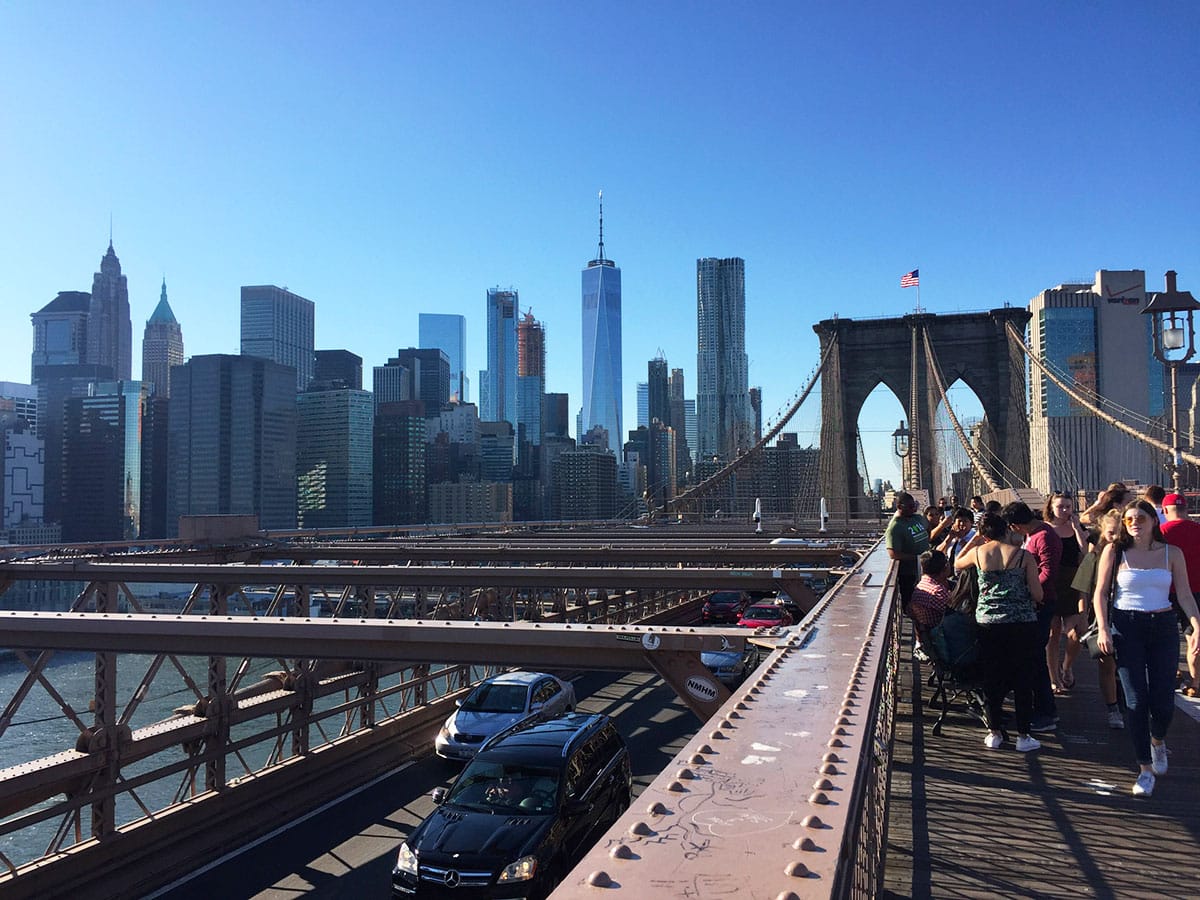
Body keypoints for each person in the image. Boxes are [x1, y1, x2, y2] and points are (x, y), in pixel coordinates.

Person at [1092, 499, 1200, 797]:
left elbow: (1186, 595)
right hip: (1126, 627)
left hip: (1163, 626)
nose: (1134, 523)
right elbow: (1100, 594)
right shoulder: (1115, 552)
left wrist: (1197, 625)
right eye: (1128, 520)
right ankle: (1144, 769)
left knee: (1164, 701)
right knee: (1136, 701)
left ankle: (1158, 740)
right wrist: (1103, 628)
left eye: (1140, 517)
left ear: (1155, 520)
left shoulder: (1171, 553)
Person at [955, 513, 1044, 752]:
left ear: (984, 534)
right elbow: (1038, 595)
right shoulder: (1024, 556)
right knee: (1023, 677)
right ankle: (1024, 736)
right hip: (1021, 623)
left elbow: (956, 563)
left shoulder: (978, 553)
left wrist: (975, 542)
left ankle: (994, 733)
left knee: (993, 677)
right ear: (1006, 529)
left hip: (988, 624)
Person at [1003, 501, 1063, 732]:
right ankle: (1040, 709)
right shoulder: (1036, 533)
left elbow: (1048, 571)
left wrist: (1030, 592)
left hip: (1041, 602)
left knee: (1036, 658)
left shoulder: (1044, 536)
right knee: (1032, 656)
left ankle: (1047, 713)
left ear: (1016, 525)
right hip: (1035, 602)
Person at [1071, 509, 1125, 728]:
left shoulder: (1135, 554)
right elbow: (1082, 589)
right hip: (1102, 616)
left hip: (1129, 615)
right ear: (1103, 533)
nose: (1117, 538)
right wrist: (1082, 616)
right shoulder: (1095, 557)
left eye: (1121, 533)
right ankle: (1113, 708)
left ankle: (1129, 701)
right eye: (1112, 533)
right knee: (1108, 665)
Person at [1044, 492, 1088, 692]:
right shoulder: (1045, 529)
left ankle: (1067, 667)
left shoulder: (1076, 528)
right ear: (1051, 507)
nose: (1064, 510)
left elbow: (1085, 552)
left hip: (1072, 583)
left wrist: (1077, 528)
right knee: (1052, 635)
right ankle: (1054, 678)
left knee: (1076, 634)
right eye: (1060, 506)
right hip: (1051, 583)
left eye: (1068, 506)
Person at [1160, 492, 1200, 697]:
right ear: (1186, 510)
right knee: (1194, 636)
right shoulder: (1198, 530)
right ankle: (1195, 681)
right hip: (1196, 591)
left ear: (1165, 511)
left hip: (1166, 590)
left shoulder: (1160, 532)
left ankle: (1173, 671)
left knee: (1166, 636)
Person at [886, 492, 930, 610]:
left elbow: (929, 527)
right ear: (899, 507)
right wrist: (918, 558)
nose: (913, 509)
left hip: (926, 570)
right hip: (909, 574)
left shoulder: (917, 518)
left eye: (914, 505)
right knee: (912, 607)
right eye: (910, 506)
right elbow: (893, 553)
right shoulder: (895, 527)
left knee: (928, 603)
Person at [909, 549, 954, 633]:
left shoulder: (921, 586)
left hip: (928, 634)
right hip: (944, 636)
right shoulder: (937, 591)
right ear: (945, 567)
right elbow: (957, 613)